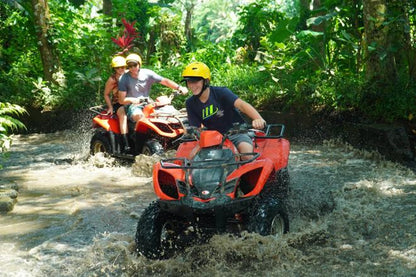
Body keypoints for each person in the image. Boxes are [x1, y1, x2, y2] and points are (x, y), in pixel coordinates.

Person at [181, 61, 266, 160]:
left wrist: (258, 119)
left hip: (237, 133)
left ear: (206, 81)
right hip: (212, 138)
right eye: (189, 82)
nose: (192, 85)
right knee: (191, 159)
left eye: (195, 81)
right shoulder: (190, 103)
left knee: (246, 156)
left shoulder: (221, 92)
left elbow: (242, 105)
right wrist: (191, 132)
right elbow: (196, 129)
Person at [118, 53, 188, 129]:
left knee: (167, 114)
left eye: (134, 65)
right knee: (139, 116)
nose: (132, 68)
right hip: (132, 106)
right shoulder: (124, 78)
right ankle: (139, 138)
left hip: (148, 103)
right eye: (130, 66)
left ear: (139, 64)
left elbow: (164, 81)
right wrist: (137, 100)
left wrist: (179, 87)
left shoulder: (147, 74)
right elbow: (122, 100)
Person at [103, 55, 130, 153]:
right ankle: (126, 144)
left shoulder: (129, 74)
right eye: (118, 67)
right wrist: (110, 107)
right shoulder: (112, 80)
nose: (121, 69)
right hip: (118, 104)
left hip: (131, 101)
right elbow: (106, 94)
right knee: (123, 115)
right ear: (114, 68)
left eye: (123, 67)